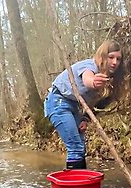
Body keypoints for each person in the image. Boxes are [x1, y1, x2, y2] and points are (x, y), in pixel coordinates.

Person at [44, 40, 124, 170]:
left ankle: (83, 184)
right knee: (75, 146)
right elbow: (87, 79)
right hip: (57, 102)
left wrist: (85, 119)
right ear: (103, 56)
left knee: (80, 146)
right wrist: (94, 82)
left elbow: (94, 101)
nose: (115, 62)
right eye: (111, 57)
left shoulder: (110, 80)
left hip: (74, 106)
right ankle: (76, 186)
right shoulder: (90, 66)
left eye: (118, 59)